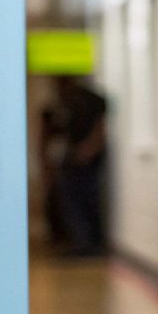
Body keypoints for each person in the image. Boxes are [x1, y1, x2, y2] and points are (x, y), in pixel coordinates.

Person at [49, 74, 108, 257]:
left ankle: (89, 244)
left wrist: (87, 151)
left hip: (87, 161)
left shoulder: (92, 101)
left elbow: (100, 129)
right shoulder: (65, 103)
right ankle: (81, 243)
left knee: (87, 201)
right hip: (73, 158)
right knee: (72, 202)